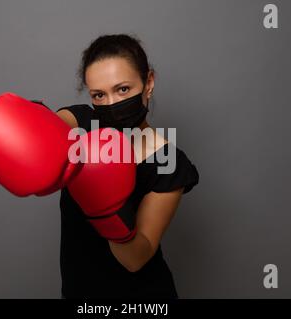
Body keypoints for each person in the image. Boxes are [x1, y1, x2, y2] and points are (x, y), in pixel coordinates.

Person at [56, 34, 200, 299]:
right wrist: (29, 120)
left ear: (148, 83)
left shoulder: (168, 163)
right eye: (99, 95)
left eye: (123, 89)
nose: (111, 104)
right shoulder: (82, 124)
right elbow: (50, 128)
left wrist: (105, 207)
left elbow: (136, 258)